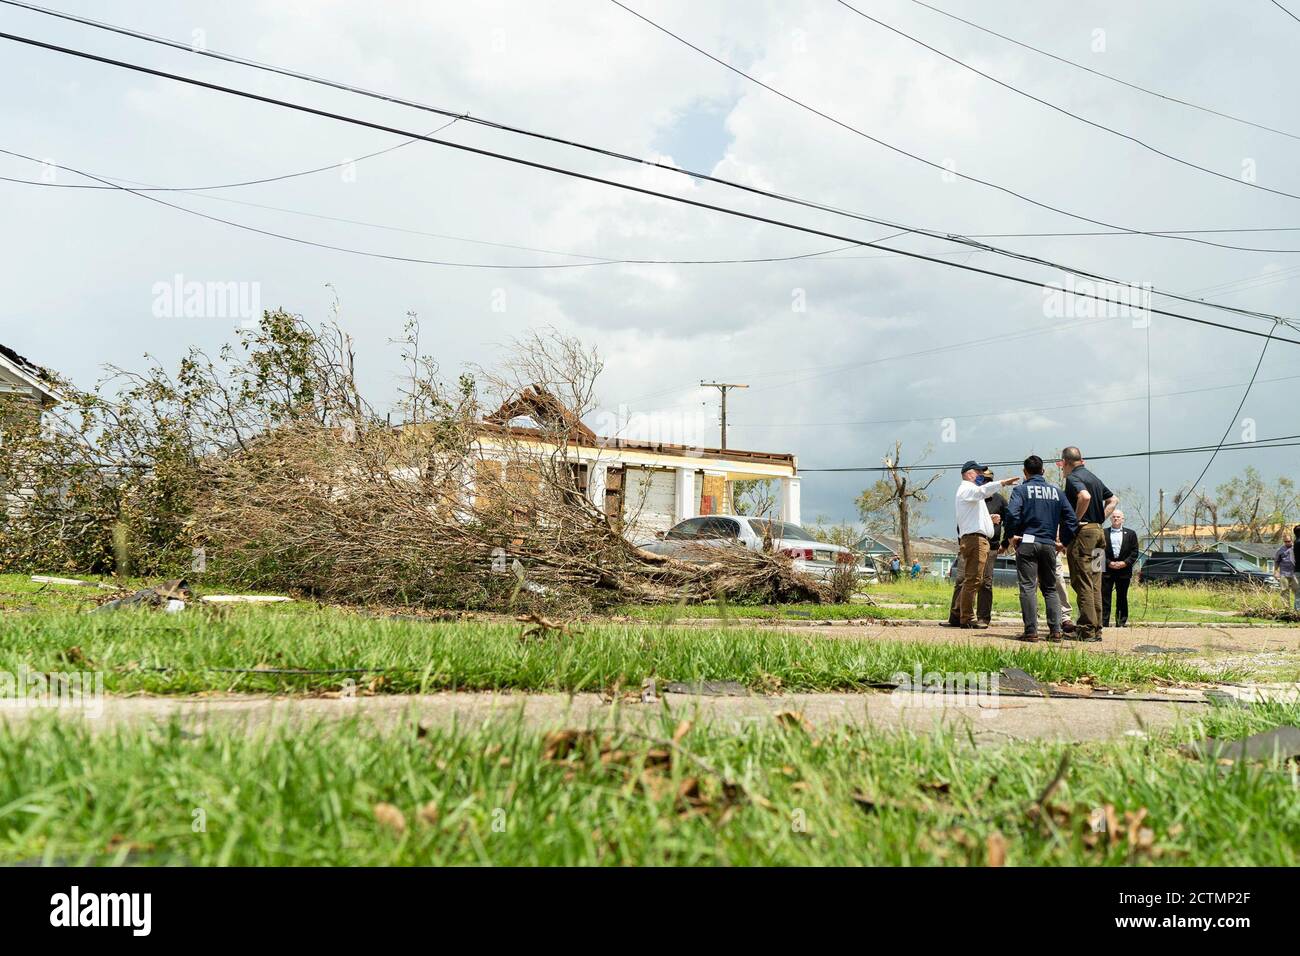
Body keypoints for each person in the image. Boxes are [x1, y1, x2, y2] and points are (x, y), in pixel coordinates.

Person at [1005, 455, 1079, 642]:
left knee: (1028, 587)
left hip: (1027, 543)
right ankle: (1055, 631)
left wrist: (1011, 535)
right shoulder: (1057, 492)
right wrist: (1063, 541)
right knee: (1050, 588)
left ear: (1025, 472)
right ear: (1043, 471)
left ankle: (1031, 631)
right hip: (1048, 544)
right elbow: (1071, 520)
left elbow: (1012, 514)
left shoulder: (1020, 490)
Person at [953, 459, 1020, 629]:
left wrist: (989, 520)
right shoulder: (968, 489)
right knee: (974, 580)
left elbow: (970, 518)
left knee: (971, 579)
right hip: (976, 541)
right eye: (979, 473)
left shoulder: (969, 492)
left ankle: (960, 614)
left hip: (975, 539)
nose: (982, 476)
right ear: (969, 474)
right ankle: (966, 617)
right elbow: (982, 491)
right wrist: (1002, 483)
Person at [1060, 447, 1118, 642]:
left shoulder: (1073, 478)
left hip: (1084, 536)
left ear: (1066, 462)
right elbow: (1113, 499)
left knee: (1083, 581)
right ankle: (1096, 628)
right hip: (1099, 533)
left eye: (1062, 467)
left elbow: (1084, 497)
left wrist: (1074, 521)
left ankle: (1086, 630)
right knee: (1095, 581)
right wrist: (1101, 518)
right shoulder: (1093, 477)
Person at [1101, 509, 1139, 627]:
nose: (1116, 518)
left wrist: (1125, 563)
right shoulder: (1103, 533)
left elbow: (1134, 552)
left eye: (1118, 517)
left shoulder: (1131, 534)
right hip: (1107, 570)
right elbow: (1098, 550)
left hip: (1124, 570)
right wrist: (1108, 563)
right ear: (1110, 519)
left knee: (1122, 597)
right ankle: (1104, 621)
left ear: (1123, 519)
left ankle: (1121, 622)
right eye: (1114, 517)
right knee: (1104, 597)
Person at [1275, 534, 1296, 606]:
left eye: (1288, 541)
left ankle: (1297, 608)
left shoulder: (1296, 548)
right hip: (1284, 573)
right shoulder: (1280, 550)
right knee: (1284, 591)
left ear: (1292, 540)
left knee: (1297, 590)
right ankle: (1286, 608)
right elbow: (1277, 561)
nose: (1287, 543)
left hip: (1295, 573)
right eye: (1285, 541)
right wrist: (1275, 571)